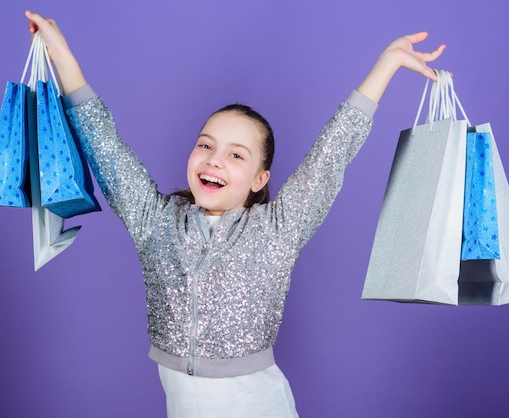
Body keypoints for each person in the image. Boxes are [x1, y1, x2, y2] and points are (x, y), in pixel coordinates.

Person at [25, 10, 446, 417]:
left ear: (260, 179)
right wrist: (60, 51)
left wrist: (387, 63)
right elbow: (105, 147)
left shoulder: (277, 230)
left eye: (236, 154)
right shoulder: (155, 221)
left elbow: (331, 154)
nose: (214, 160)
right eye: (206, 145)